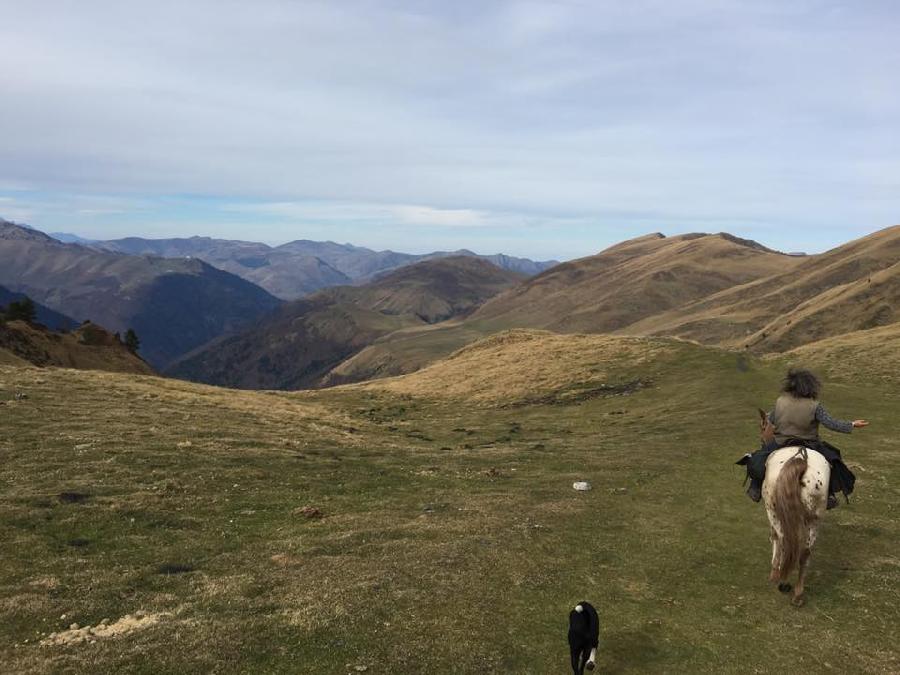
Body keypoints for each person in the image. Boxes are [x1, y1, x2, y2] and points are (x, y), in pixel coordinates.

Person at [738, 369, 868, 509]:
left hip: (781, 443)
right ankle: (829, 494)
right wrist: (852, 424)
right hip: (810, 444)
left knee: (758, 458)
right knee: (833, 460)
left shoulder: (780, 402)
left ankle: (755, 487)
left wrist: (766, 418)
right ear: (811, 387)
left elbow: (770, 418)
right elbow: (831, 423)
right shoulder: (815, 406)